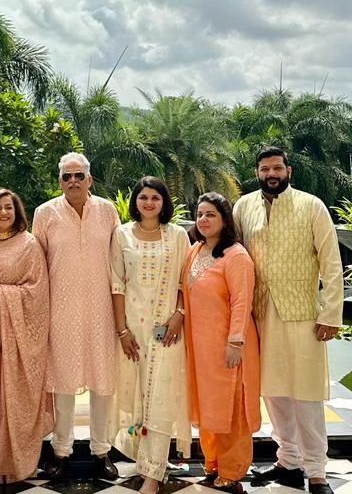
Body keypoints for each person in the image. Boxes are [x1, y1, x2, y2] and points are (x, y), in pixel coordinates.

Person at [233, 147, 343, 494]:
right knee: (274, 394)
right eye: (265, 169)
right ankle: (288, 462)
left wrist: (331, 314)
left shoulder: (312, 206)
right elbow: (233, 253)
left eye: (277, 168)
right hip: (259, 315)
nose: (272, 174)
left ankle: (317, 472)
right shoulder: (242, 207)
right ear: (257, 173)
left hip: (303, 318)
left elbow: (332, 264)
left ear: (289, 171)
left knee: (306, 396)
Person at [32, 152, 121, 480]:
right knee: (63, 385)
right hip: (61, 312)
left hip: (102, 312)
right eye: (66, 176)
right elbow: (37, 266)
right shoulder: (45, 214)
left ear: (90, 179)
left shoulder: (108, 212)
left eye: (78, 176)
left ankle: (101, 452)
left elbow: (118, 263)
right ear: (59, 181)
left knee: (102, 385)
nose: (73, 182)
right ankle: (60, 452)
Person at [109, 176, 192, 494]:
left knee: (160, 398)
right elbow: (116, 284)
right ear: (136, 201)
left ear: (163, 202)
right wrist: (121, 330)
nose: (148, 203)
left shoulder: (178, 236)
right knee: (137, 397)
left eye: (155, 197)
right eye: (143, 197)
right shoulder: (121, 234)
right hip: (133, 332)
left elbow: (186, 283)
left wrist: (179, 316)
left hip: (166, 332)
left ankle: (154, 474)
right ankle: (144, 460)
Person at [182, 192, 261, 494]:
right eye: (200, 214)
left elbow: (242, 302)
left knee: (232, 410)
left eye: (210, 214)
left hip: (229, 346)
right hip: (200, 348)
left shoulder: (236, 256)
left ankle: (233, 469)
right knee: (208, 407)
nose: (203, 220)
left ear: (224, 219)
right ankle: (212, 462)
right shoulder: (194, 251)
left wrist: (236, 342)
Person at [0, 188, 53, 485]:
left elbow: (38, 292)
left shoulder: (29, 245)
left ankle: (16, 462)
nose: (4, 213)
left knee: (16, 395)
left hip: (19, 334)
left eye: (8, 207)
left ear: (17, 211)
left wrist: (0, 292)